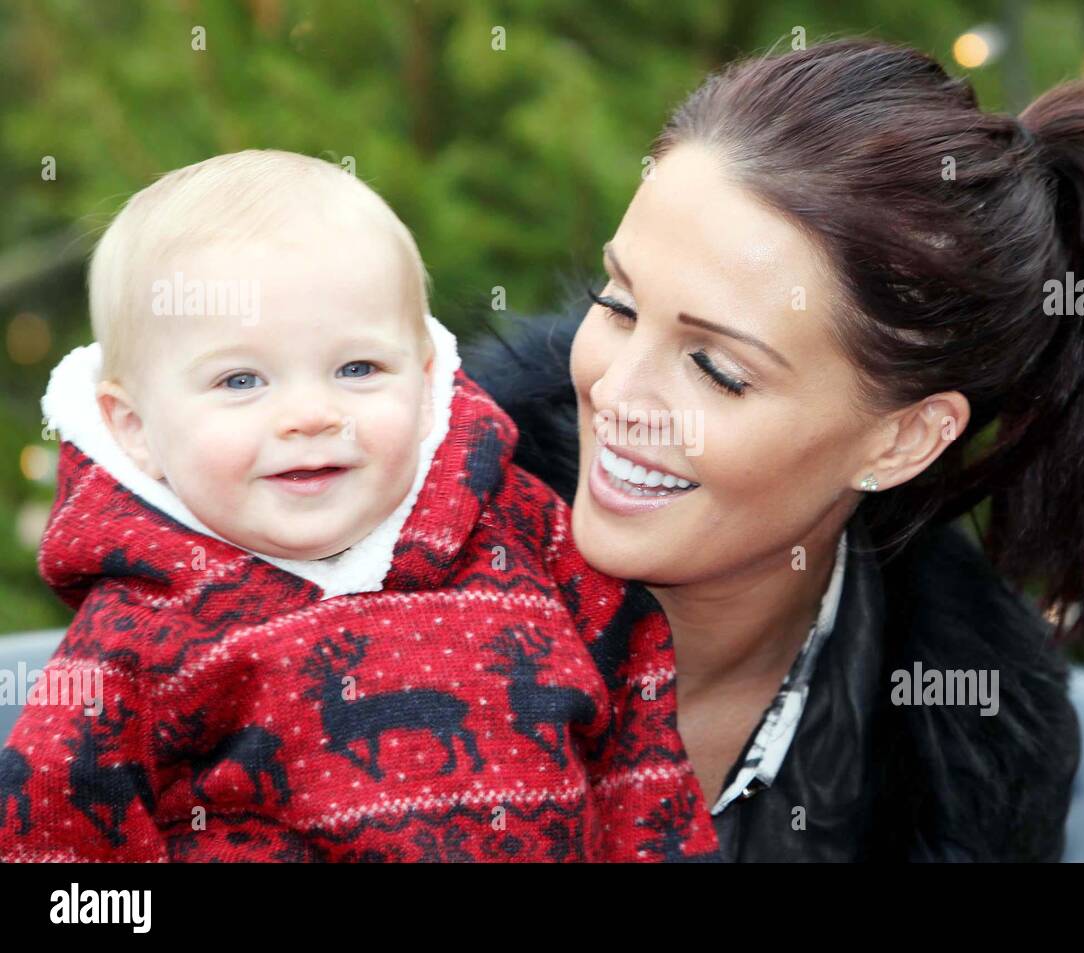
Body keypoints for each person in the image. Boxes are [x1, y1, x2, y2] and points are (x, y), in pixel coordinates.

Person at [464, 37, 1084, 861]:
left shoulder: (978, 757)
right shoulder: (381, 538)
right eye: (616, 305)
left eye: (717, 369)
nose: (617, 393)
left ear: (902, 439)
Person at [0, 150, 719, 862]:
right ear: (136, 427)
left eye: (357, 368)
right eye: (241, 379)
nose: (311, 414)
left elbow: (640, 763)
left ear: (427, 376)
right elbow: (57, 857)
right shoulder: (135, 638)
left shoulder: (524, 535)